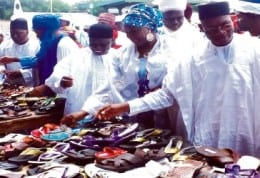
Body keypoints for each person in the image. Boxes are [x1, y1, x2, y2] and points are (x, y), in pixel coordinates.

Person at [95, 1, 260, 156]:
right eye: (212, 29)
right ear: (202, 28)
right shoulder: (192, 58)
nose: (221, 32)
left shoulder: (254, 50)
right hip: (210, 133)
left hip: (247, 130)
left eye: (225, 25)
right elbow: (167, 94)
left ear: (232, 20)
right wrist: (126, 106)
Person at [61, 3, 172, 129]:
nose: (131, 37)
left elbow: (169, 91)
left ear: (150, 28)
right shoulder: (122, 55)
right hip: (133, 117)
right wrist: (84, 112)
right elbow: (109, 88)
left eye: (135, 31)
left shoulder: (170, 52)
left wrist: (126, 106)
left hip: (165, 115)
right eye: (127, 32)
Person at [29, 23, 115, 116]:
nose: (98, 48)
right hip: (78, 110)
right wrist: (61, 82)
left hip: (111, 111)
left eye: (103, 45)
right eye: (93, 44)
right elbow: (57, 75)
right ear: (89, 40)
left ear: (111, 41)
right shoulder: (76, 57)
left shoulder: (118, 59)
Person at [0, 14, 79, 85]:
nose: (37, 36)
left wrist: (44, 89)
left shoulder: (63, 45)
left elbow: (65, 78)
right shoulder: (50, 43)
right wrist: (14, 59)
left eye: (38, 33)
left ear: (47, 31)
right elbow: (39, 60)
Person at [0, 18, 40, 86]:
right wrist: (3, 70)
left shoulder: (36, 46)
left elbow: (38, 66)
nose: (15, 36)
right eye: (12, 33)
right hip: (9, 85)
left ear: (27, 32)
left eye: (19, 33)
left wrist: (21, 73)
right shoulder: (4, 45)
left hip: (30, 86)